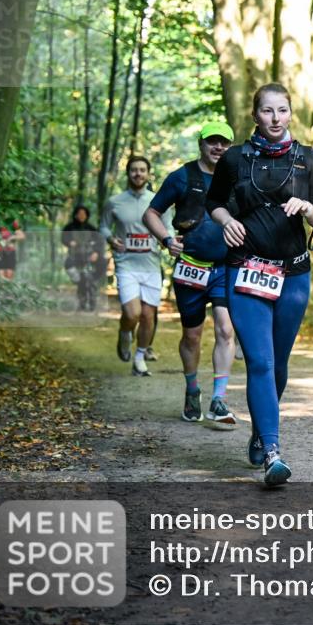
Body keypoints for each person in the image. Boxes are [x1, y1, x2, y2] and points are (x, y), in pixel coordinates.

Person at [205, 82, 313, 485]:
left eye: (281, 111)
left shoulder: (307, 160)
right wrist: (227, 222)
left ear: (291, 113)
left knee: (277, 363)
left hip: (293, 276)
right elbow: (214, 203)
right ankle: (273, 454)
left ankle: (261, 431)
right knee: (259, 360)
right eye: (267, 112)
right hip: (246, 270)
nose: (275, 119)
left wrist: (308, 207)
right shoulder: (235, 159)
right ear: (254, 115)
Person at [143, 122, 237, 429]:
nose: (218, 148)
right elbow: (151, 213)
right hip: (190, 267)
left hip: (224, 268)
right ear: (201, 143)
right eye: (213, 141)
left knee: (226, 330)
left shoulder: (237, 178)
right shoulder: (182, 177)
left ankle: (219, 398)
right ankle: (192, 389)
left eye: (224, 143)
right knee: (192, 335)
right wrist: (167, 240)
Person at [99, 155, 165, 377]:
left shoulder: (158, 201)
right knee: (133, 312)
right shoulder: (115, 201)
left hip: (151, 264)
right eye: (134, 170)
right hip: (126, 264)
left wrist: (167, 241)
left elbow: (169, 230)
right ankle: (125, 332)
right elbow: (104, 227)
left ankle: (139, 359)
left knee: (148, 316)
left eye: (142, 170)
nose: (138, 174)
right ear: (128, 173)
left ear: (148, 174)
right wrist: (111, 239)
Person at [61, 204, 103, 311]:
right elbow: (63, 238)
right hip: (74, 257)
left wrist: (96, 253)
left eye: (84, 214)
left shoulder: (91, 228)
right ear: (75, 215)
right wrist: (70, 242)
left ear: (87, 215)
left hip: (89, 259)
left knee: (89, 280)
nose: (81, 216)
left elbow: (99, 242)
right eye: (79, 214)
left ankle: (91, 303)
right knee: (80, 280)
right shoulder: (69, 227)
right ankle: (82, 303)